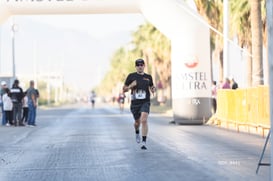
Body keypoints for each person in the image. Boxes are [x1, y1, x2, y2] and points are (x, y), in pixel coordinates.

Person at [123, 58, 156, 150]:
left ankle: (144, 142)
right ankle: (137, 131)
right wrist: (130, 86)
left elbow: (152, 86)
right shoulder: (131, 76)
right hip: (135, 103)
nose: (140, 66)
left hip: (145, 101)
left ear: (144, 66)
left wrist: (153, 89)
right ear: (135, 67)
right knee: (137, 122)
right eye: (138, 65)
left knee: (144, 120)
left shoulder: (148, 77)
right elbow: (124, 89)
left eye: (141, 65)